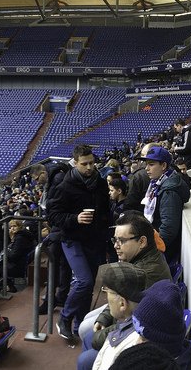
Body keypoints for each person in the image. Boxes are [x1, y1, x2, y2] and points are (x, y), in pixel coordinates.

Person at [48, 145, 113, 344]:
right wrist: (75, 218)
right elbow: (53, 215)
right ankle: (65, 318)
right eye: (84, 164)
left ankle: (80, 325)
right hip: (72, 239)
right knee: (84, 281)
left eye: (92, 163)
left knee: (89, 285)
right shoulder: (64, 186)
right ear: (75, 163)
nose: (89, 167)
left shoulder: (100, 183)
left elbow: (105, 211)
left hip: (94, 240)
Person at [137, 146, 190, 267]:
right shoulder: (159, 183)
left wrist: (152, 251)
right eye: (146, 164)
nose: (146, 168)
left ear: (163, 166)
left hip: (163, 251)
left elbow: (168, 229)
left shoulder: (169, 192)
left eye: (151, 164)